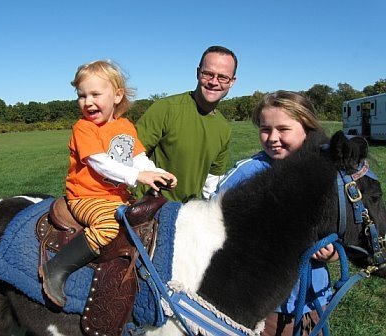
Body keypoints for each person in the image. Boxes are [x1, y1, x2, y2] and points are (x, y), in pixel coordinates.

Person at [40, 60, 177, 308]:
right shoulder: (83, 128)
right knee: (107, 226)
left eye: (95, 94)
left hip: (116, 197)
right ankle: (56, 268)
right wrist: (137, 177)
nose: (88, 102)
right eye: (81, 95)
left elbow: (138, 159)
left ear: (117, 95)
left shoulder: (125, 126)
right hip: (86, 197)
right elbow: (99, 163)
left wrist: (157, 172)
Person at [214, 90, 338, 336]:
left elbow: (339, 227)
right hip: (265, 305)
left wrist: (332, 252)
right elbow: (214, 229)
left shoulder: (328, 174)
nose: (272, 138)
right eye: (265, 129)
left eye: (283, 129)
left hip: (314, 298)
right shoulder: (246, 175)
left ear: (307, 128)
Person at [134, 45, 237, 202]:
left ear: (232, 82)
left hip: (188, 214)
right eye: (207, 74)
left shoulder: (224, 128)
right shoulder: (166, 109)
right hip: (148, 210)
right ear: (197, 73)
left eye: (222, 77)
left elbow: (212, 180)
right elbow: (131, 153)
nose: (214, 82)